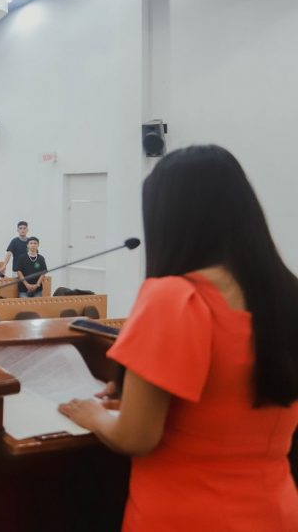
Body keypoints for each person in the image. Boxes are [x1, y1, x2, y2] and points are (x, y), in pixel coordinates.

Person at [58, 145, 298, 531]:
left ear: (170, 221)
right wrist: (137, 395)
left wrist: (94, 416)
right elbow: (231, 396)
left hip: (186, 513)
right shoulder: (287, 295)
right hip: (276, 510)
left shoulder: (174, 297)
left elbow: (136, 437)